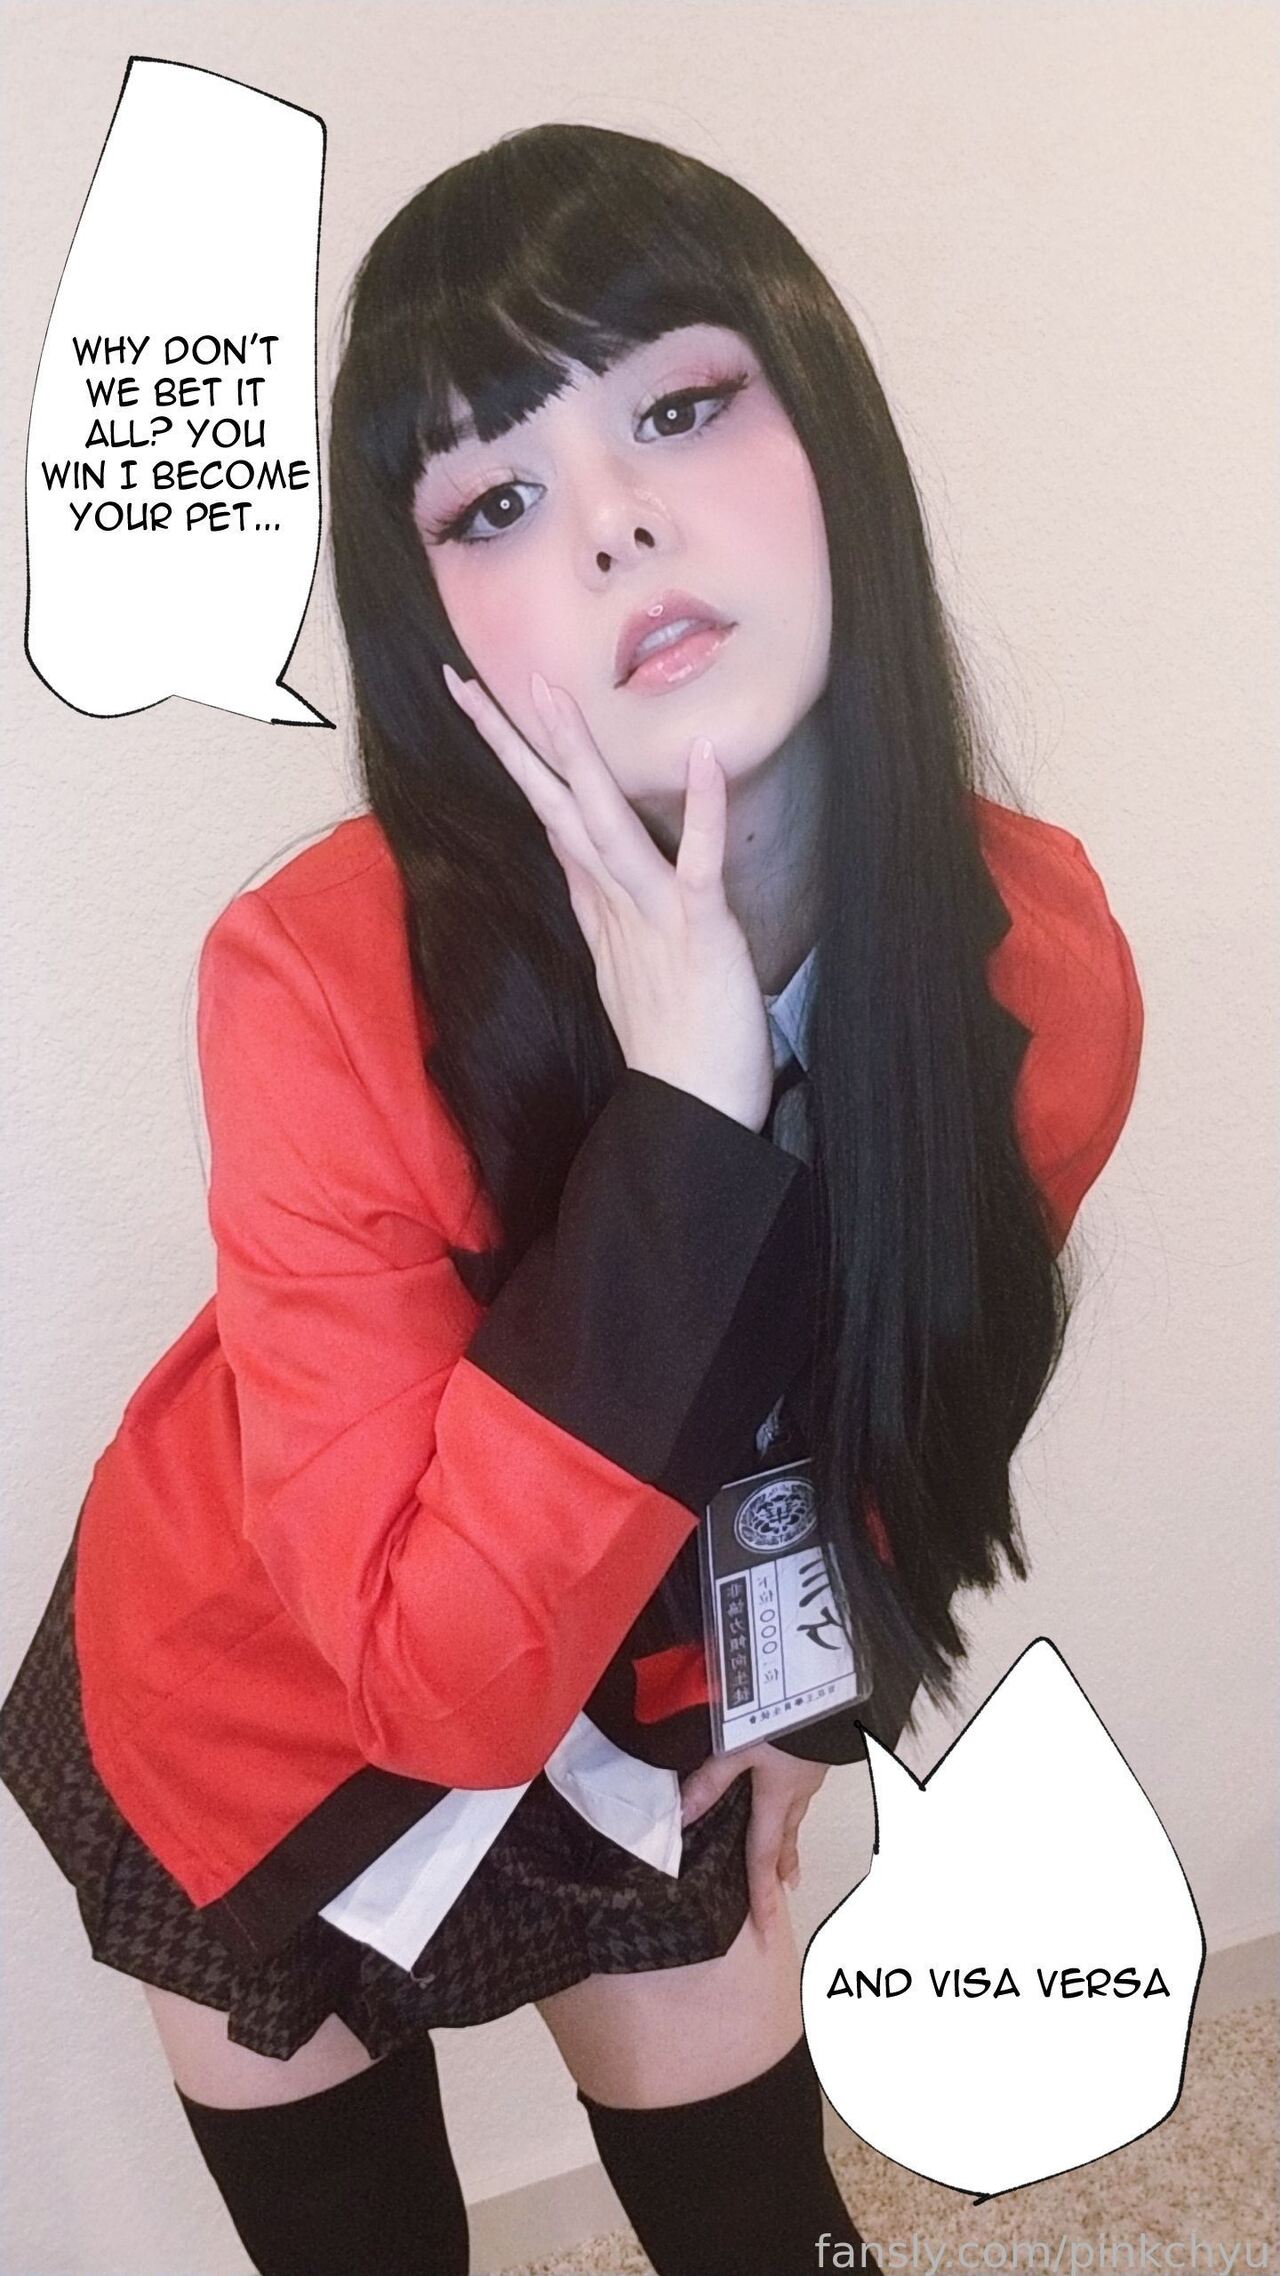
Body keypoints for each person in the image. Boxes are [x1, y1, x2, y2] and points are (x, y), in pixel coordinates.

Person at [0, 122, 1144, 2276]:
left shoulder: (1041, 962)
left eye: (681, 406)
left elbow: (917, 1382)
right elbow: (428, 1678)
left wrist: (811, 1696)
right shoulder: (312, 982)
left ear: (830, 435)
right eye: (495, 502)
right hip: (277, 1700)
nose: (614, 517)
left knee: (764, 2230)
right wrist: (688, 1119)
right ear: (433, 623)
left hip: (656, 1686)